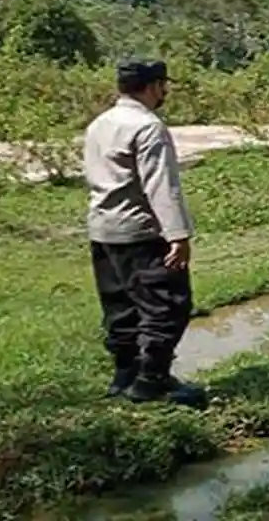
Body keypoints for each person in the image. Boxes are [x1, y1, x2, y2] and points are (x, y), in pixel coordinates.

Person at [83, 59, 207, 408]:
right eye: (163, 85)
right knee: (167, 307)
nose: (165, 92)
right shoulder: (148, 127)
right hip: (141, 232)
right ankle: (151, 382)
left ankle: (124, 374)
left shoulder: (100, 124)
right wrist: (177, 235)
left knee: (121, 308)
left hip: (104, 230)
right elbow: (160, 185)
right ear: (153, 86)